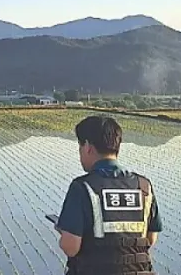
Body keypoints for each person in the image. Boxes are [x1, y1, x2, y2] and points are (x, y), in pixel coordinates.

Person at [55, 115, 162, 275]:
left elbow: (71, 247)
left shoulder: (82, 187)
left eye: (80, 147)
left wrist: (63, 233)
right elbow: (150, 239)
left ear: (87, 146)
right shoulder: (144, 186)